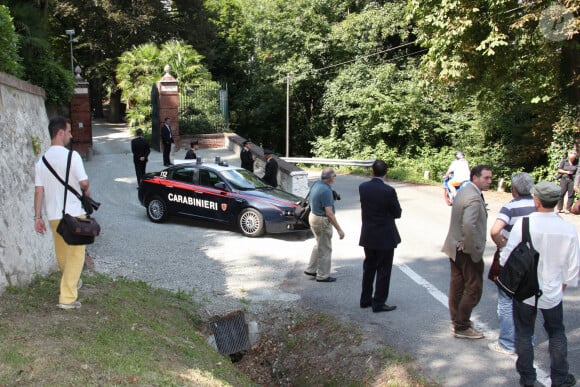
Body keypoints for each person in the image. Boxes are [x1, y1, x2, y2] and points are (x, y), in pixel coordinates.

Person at [500, 181, 579, 387]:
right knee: (557, 333)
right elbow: (573, 268)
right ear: (555, 201)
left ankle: (527, 378)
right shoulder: (567, 229)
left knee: (524, 333)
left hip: (525, 289)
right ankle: (560, 378)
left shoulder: (524, 224)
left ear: (537, 200)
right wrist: (563, 285)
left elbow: (506, 257)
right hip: (553, 291)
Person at [34, 116, 90, 310]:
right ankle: (67, 298)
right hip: (74, 213)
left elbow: (39, 191)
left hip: (53, 215)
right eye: (68, 131)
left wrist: (37, 217)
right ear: (60, 133)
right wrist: (87, 191)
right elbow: (83, 183)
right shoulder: (72, 156)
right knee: (76, 255)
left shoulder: (41, 161)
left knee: (63, 253)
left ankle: (71, 280)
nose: (71, 135)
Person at [442, 164, 492, 339]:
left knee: (457, 285)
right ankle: (462, 326)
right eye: (486, 178)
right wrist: (472, 249)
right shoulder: (474, 198)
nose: (489, 181)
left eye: (490, 178)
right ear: (475, 177)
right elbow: (469, 225)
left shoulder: (464, 190)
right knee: (474, 288)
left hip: (454, 246)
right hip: (466, 249)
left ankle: (456, 321)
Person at [488, 172, 536, 355]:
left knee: (507, 300)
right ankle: (528, 340)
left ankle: (507, 343)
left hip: (513, 259)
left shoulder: (510, 207)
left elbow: (495, 231)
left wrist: (502, 246)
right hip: (534, 259)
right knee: (529, 300)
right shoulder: (539, 205)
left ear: (514, 189)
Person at [358, 160, 402, 313]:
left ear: (372, 172)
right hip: (384, 235)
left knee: (369, 267)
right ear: (386, 173)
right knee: (383, 269)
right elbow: (397, 213)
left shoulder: (363, 187)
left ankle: (365, 299)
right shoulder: (388, 191)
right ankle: (378, 302)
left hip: (368, 234)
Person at [304, 168, 345, 282]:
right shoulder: (326, 191)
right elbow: (329, 213)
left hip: (313, 216)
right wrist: (339, 230)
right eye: (334, 176)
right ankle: (323, 275)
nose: (335, 178)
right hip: (322, 220)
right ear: (331, 178)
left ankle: (311, 269)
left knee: (319, 243)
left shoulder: (317, 184)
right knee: (325, 248)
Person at [556, 149, 578, 213]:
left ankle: (568, 209)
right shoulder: (564, 161)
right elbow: (559, 170)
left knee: (571, 195)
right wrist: (567, 172)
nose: (573, 155)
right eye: (571, 153)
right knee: (561, 194)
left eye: (574, 154)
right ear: (569, 155)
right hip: (564, 179)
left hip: (572, 180)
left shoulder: (577, 162)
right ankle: (559, 208)